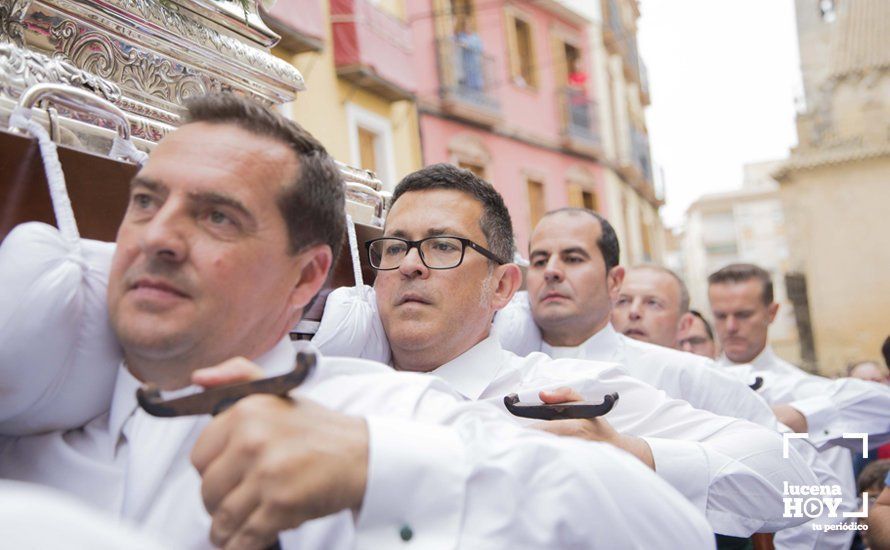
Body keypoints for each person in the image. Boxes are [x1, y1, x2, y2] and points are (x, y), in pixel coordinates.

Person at [0, 95, 715, 549]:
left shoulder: (388, 415)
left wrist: (379, 467)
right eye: (146, 202)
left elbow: (669, 531)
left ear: (307, 275)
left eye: (217, 216)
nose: (159, 236)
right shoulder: (31, 422)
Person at [358, 168, 817, 538]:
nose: (411, 264)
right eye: (395, 246)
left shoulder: (569, 398)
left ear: (500, 286)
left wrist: (631, 452)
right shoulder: (341, 395)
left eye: (443, 246)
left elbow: (794, 480)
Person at [490, 208, 846, 547]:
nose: (551, 271)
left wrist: (642, 454)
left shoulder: (685, 373)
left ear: (614, 281)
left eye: (573, 258)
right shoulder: (502, 368)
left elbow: (805, 483)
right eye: (539, 260)